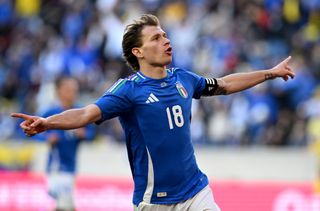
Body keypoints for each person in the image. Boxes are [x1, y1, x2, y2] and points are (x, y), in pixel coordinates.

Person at [11, 14, 295, 211]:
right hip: (153, 201)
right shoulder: (128, 90)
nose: (166, 40)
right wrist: (47, 123)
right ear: (139, 52)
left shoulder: (183, 78)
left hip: (196, 191)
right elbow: (86, 114)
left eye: (165, 35)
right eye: (156, 38)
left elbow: (224, 84)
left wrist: (270, 73)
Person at [36, 76, 96, 211]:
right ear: (58, 91)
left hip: (72, 167)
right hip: (55, 167)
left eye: (75, 89)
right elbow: (33, 134)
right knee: (65, 204)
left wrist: (84, 135)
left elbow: (91, 134)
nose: (72, 92)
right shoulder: (50, 113)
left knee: (64, 205)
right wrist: (47, 138)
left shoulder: (81, 112)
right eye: (68, 89)